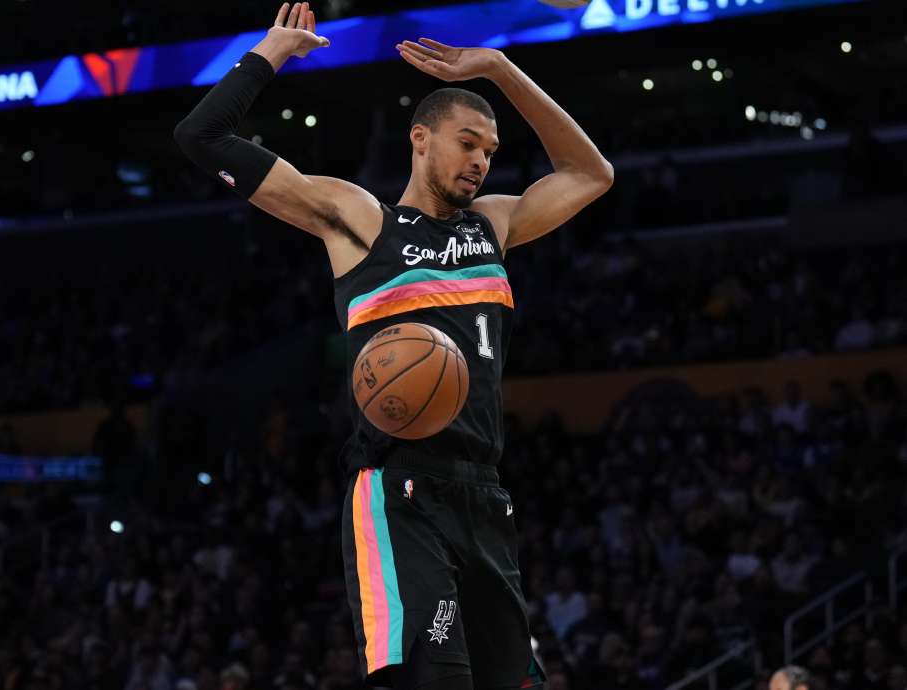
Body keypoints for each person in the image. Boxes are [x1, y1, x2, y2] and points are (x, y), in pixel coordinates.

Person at [175, 4, 612, 688]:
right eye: (467, 143)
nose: (479, 161)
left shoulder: (494, 224)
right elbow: (202, 135)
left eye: (489, 152)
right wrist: (271, 52)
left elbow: (592, 174)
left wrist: (501, 68)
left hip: (486, 495)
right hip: (400, 490)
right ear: (420, 139)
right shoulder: (359, 222)